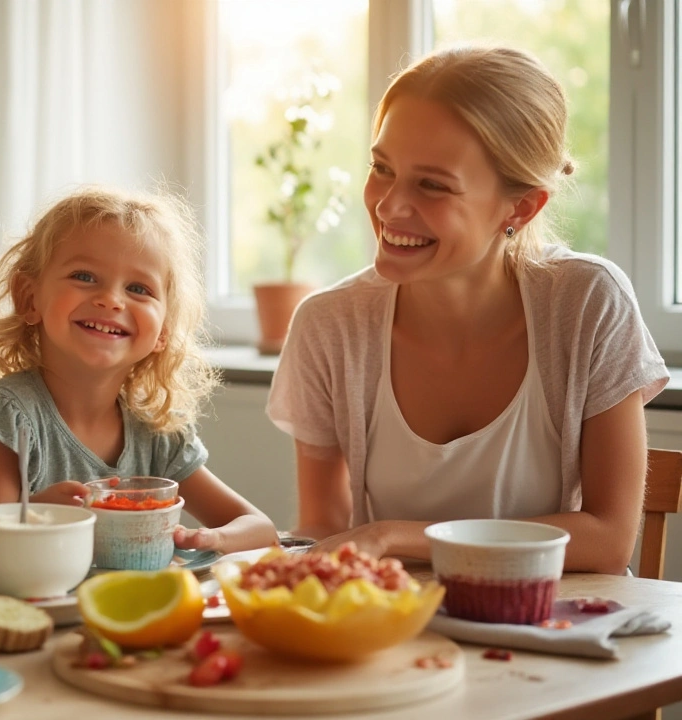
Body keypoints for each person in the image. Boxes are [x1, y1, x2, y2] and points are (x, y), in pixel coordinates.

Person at [267, 46, 670, 574]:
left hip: (557, 628)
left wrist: (393, 535)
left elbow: (607, 539)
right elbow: (322, 525)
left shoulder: (588, 303)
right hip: (399, 635)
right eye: (382, 168)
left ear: (521, 207)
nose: (388, 206)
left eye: (431, 184)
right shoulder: (329, 325)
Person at [0, 186, 278, 554]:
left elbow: (261, 530)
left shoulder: (156, 431)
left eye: (139, 288)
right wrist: (40, 517)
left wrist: (210, 538)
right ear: (30, 298)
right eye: (84, 277)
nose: (111, 299)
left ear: (163, 331)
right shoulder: (6, 415)